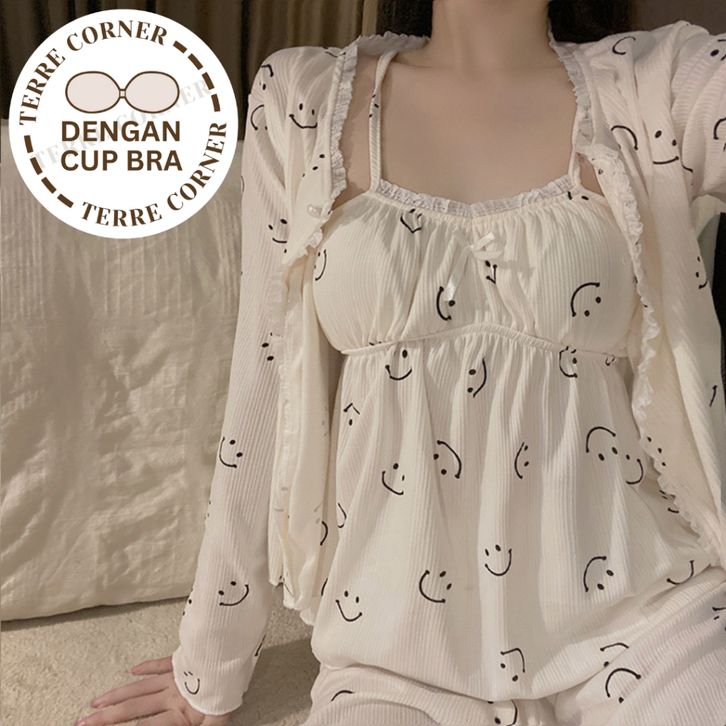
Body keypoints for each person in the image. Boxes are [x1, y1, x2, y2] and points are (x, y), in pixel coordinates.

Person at [77, 1, 726, 724]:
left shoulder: (657, 86)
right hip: (394, 651)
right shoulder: (303, 98)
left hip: (645, 622)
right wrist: (211, 661)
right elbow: (262, 375)